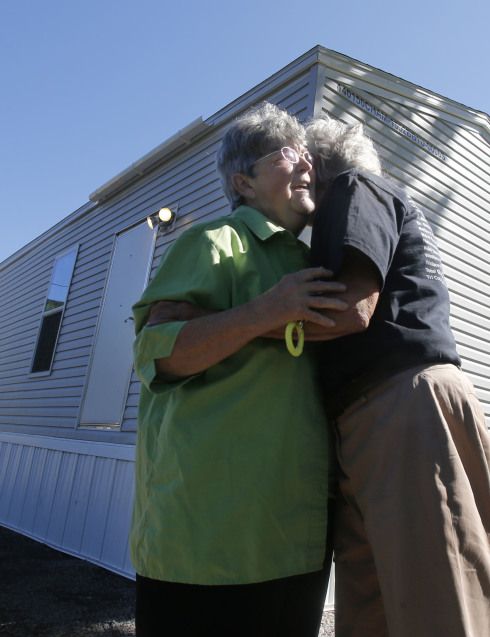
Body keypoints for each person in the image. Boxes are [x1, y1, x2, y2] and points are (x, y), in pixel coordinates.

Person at [128, 102, 347, 637]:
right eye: (285, 155)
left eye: (307, 157)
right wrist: (261, 312)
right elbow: (158, 351)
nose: (304, 165)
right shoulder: (214, 243)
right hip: (208, 538)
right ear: (242, 184)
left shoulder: (311, 264)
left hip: (296, 534)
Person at [304, 117, 490, 637]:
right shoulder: (377, 202)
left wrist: (245, 326)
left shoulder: (355, 186)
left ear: (318, 165)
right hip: (386, 411)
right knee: (374, 608)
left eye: (304, 169)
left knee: (439, 602)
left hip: (401, 406)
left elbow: (353, 309)